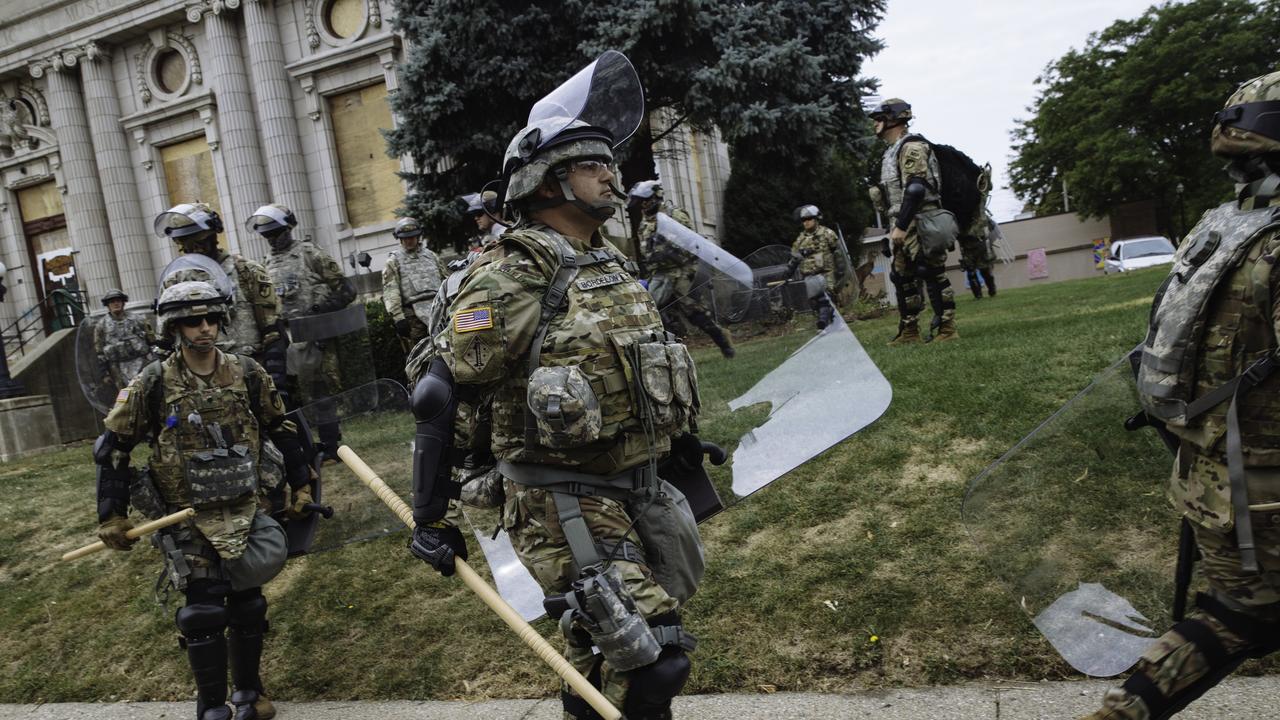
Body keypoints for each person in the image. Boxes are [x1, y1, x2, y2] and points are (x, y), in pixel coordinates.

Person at [408, 51, 705, 720]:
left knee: (599, 659)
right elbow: (439, 393)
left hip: (635, 483)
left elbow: (636, 365)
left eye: (609, 161)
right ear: (546, 182)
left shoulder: (608, 259)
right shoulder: (512, 275)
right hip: (558, 499)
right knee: (659, 656)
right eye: (591, 164)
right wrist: (430, 515)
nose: (611, 173)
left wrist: (678, 440)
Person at [1082, 70, 1280, 720]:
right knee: (1242, 614)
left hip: (1210, 485)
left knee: (1236, 616)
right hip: (1268, 497)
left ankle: (1122, 711)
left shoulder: (1220, 228)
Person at [93, 280, 312, 720]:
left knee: (248, 603)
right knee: (203, 610)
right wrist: (111, 516)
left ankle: (250, 693)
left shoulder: (247, 372)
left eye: (211, 318)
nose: (205, 328)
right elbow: (114, 447)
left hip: (247, 508)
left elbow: (281, 428)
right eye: (193, 321)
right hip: (187, 517)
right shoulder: (153, 381)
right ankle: (212, 705)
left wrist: (300, 486)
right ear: (175, 327)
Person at [251, 203, 356, 454]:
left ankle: (331, 444)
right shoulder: (265, 264)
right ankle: (303, 445)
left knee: (320, 391)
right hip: (285, 337)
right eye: (268, 235)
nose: (273, 239)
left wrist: (320, 310)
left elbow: (346, 290)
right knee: (289, 395)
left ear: (288, 228)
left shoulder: (311, 254)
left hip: (314, 333)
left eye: (277, 232)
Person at [155, 203, 289, 389]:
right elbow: (165, 341)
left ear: (213, 235)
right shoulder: (174, 282)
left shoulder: (246, 271)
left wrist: (276, 382)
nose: (194, 248)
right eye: (186, 242)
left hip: (248, 374)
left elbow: (272, 331)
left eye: (198, 240)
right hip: (197, 382)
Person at [870, 98, 958, 344]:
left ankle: (947, 329)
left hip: (920, 220)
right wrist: (894, 227)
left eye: (878, 119)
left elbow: (916, 189)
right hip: (901, 222)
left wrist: (900, 226)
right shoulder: (892, 152)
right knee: (902, 276)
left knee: (930, 271)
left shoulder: (912, 146)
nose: (875, 124)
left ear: (893, 119)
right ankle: (909, 332)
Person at [630, 180, 735, 357]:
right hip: (660, 274)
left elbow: (692, 243)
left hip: (682, 272)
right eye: (640, 202)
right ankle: (663, 350)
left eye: (645, 201)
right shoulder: (644, 222)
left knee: (694, 312)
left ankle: (723, 340)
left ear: (656, 197)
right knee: (651, 309)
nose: (643, 205)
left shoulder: (674, 215)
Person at [382, 217, 443, 352]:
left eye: (412, 237)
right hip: (414, 319)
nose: (409, 241)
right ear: (399, 239)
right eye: (405, 238)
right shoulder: (394, 261)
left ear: (418, 237)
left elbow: (446, 280)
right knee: (420, 359)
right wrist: (399, 318)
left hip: (439, 313)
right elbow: (391, 291)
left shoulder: (431, 256)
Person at [787, 205, 845, 330]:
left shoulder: (827, 234)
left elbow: (838, 253)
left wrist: (840, 270)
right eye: (804, 220)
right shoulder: (801, 239)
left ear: (816, 218)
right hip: (809, 276)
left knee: (827, 298)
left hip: (826, 273)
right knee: (815, 302)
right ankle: (833, 323)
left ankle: (823, 322)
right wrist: (789, 271)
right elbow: (795, 257)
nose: (806, 222)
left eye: (809, 219)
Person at [93, 288, 156, 391]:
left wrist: (154, 361)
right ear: (108, 305)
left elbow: (152, 341)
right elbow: (99, 351)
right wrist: (104, 374)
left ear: (123, 303)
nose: (116, 304)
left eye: (118, 301)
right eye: (112, 302)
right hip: (117, 368)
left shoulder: (138, 319)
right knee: (124, 397)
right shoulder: (101, 326)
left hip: (141, 362)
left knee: (147, 391)